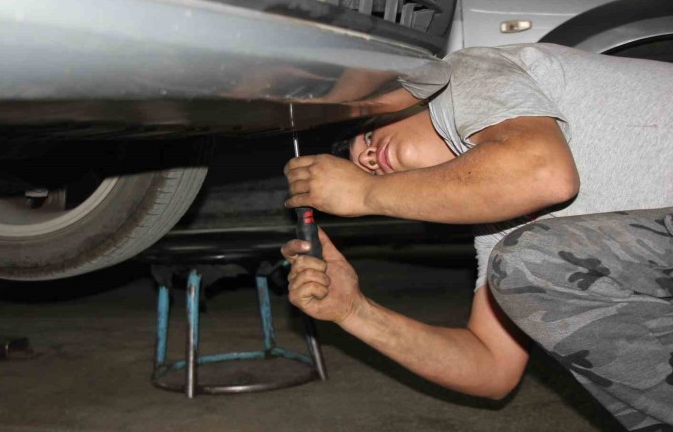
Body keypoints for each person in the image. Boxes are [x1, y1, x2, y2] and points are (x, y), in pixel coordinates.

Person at [281, 43, 673, 430]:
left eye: (367, 138)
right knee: (524, 261)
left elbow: (544, 173)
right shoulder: (504, 221)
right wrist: (354, 311)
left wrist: (365, 192)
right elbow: (492, 369)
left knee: (528, 260)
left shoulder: (463, 74)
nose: (369, 160)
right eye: (368, 172)